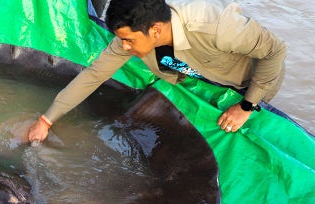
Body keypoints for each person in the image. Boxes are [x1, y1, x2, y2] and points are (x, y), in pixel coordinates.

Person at [27, 0, 286, 142]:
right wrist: (47, 119)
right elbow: (94, 75)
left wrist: (247, 106)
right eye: (121, 39)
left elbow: (275, 51)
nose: (124, 47)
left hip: (249, 83)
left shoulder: (213, 24)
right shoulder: (131, 40)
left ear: (156, 30)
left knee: (244, 135)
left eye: (129, 40)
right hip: (199, 78)